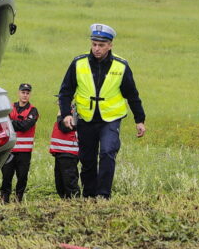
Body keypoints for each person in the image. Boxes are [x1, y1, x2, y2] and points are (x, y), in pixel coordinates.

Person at [58, 23, 146, 199]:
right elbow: (66, 91)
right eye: (94, 44)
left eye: (101, 45)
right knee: (87, 159)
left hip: (110, 119)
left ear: (110, 45)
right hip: (85, 118)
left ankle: (103, 195)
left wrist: (140, 120)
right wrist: (67, 113)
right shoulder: (78, 63)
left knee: (107, 152)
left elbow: (132, 94)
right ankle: (89, 195)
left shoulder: (121, 66)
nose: (97, 49)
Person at [0, 83, 39, 203]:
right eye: (23, 92)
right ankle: (4, 198)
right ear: (18, 93)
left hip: (24, 151)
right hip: (9, 149)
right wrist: (17, 123)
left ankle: (19, 198)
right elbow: (4, 123)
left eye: (27, 93)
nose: (25, 95)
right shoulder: (10, 107)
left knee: (22, 177)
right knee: (6, 176)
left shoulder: (33, 110)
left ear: (30, 95)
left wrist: (12, 122)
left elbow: (25, 126)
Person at [49, 97, 80, 199]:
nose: (58, 102)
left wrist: (60, 116)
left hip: (69, 152)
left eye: (61, 100)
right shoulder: (65, 113)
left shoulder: (73, 112)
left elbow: (65, 127)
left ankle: (75, 203)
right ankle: (65, 203)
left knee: (69, 182)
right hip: (60, 152)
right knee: (60, 182)